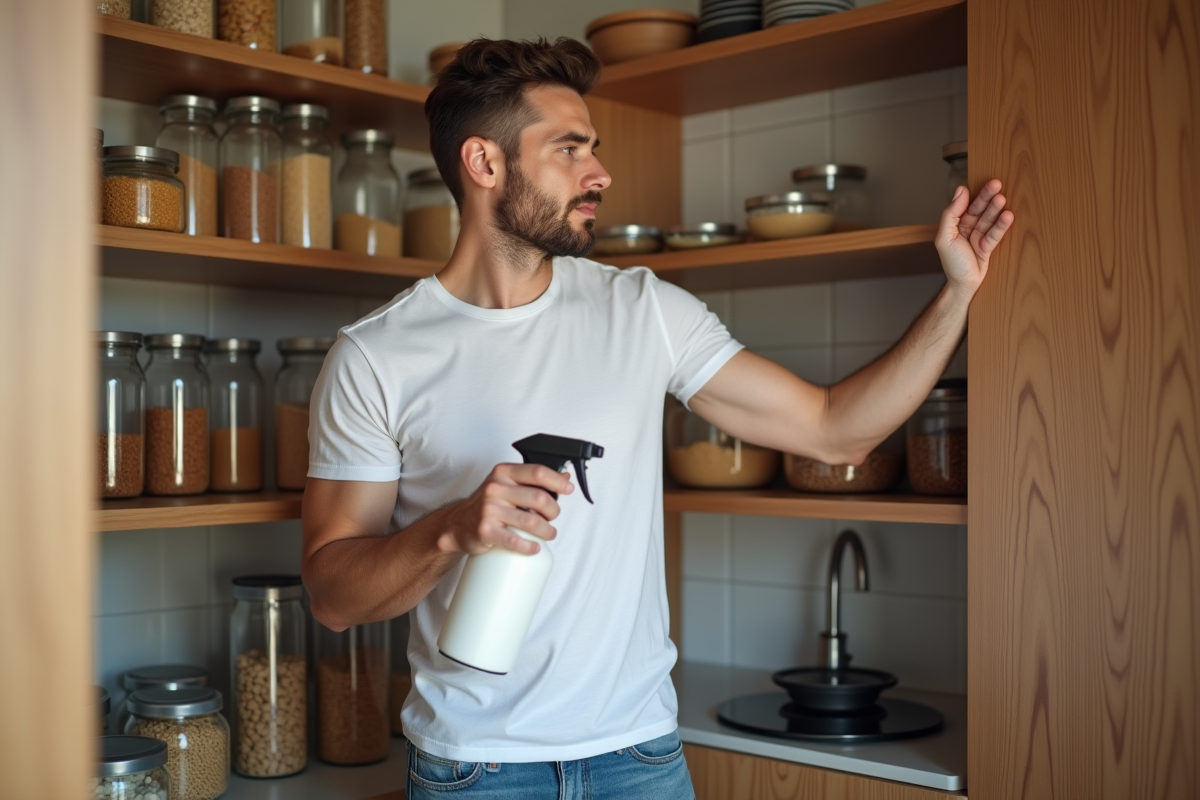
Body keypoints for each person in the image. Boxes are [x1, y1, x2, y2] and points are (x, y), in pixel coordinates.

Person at [301, 37, 1013, 800]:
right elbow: (333, 597)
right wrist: (452, 530)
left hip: (638, 761)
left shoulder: (642, 311)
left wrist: (956, 296)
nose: (599, 172)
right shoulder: (376, 356)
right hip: (475, 767)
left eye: (595, 148)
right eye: (569, 149)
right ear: (484, 164)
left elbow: (838, 429)